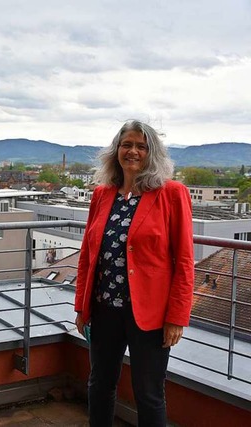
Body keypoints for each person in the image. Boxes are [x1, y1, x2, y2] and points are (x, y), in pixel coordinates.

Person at [75, 120, 194, 426]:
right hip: (104, 310)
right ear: (116, 151)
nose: (133, 151)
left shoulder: (171, 193)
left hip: (151, 318)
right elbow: (89, 256)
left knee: (149, 394)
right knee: (99, 385)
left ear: (152, 153)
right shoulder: (102, 195)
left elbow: (183, 260)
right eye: (127, 144)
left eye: (141, 146)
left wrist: (177, 317)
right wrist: (82, 307)